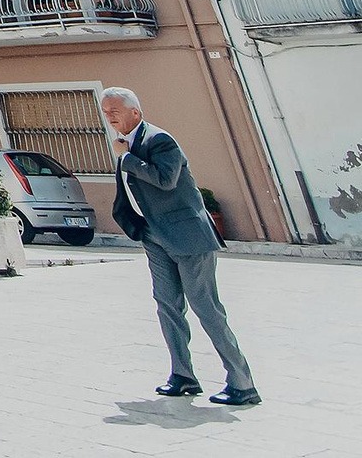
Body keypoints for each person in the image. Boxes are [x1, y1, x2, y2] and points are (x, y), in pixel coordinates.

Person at [100, 85, 259, 407]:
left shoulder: (159, 141)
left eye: (114, 111)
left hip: (188, 237)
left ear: (135, 113)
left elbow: (165, 180)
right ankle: (183, 376)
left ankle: (242, 383)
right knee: (167, 306)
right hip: (153, 235)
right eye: (105, 112)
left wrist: (127, 159)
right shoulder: (125, 145)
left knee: (207, 309)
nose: (110, 117)